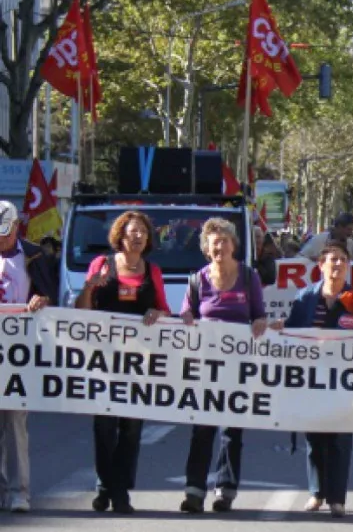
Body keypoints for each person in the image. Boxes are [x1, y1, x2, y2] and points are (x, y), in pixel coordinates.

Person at [272, 241, 353, 517]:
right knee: (315, 437)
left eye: (343, 260)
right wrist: (279, 328)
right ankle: (316, 493)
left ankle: (337, 498)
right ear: (320, 266)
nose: (338, 264)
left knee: (340, 438)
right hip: (312, 377)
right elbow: (294, 331)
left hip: (345, 378)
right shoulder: (305, 297)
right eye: (332, 260)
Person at [76, 211, 170, 514]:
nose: (138, 236)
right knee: (104, 426)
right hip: (103, 360)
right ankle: (105, 486)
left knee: (130, 428)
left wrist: (158, 314)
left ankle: (121, 492)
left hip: (138, 363)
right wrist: (90, 286)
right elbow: (82, 311)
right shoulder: (101, 265)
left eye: (143, 232)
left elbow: (164, 309)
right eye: (133, 231)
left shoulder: (152, 270)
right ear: (121, 235)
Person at [178, 218, 267, 514]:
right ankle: (193, 491)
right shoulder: (197, 280)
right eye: (214, 242)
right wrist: (187, 318)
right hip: (204, 366)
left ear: (234, 245)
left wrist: (260, 322)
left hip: (238, 367)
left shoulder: (248, 276)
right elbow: (186, 312)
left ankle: (225, 490)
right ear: (206, 248)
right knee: (201, 428)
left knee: (232, 430)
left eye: (224, 241)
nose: (220, 246)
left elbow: (259, 314)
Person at [0, 201, 53, 514]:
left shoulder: (34, 255)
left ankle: (21, 492)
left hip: (20, 351)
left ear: (16, 228)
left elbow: (53, 294)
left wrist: (42, 298)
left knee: (17, 422)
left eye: (5, 235)